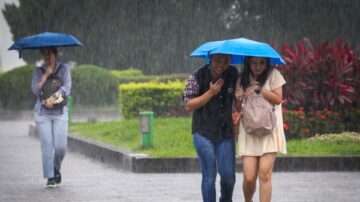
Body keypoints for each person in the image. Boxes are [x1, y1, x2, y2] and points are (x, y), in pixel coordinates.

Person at [183, 54, 239, 202]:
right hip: (203, 133)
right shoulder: (196, 76)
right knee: (209, 176)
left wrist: (240, 98)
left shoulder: (233, 74)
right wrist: (210, 93)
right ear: (210, 60)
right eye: (218, 61)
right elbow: (188, 104)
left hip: (225, 133)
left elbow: (238, 103)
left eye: (226, 61)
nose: (221, 64)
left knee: (229, 177)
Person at [234, 56, 286, 202]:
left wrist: (258, 88)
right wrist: (238, 100)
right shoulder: (242, 79)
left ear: (267, 62)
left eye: (261, 63)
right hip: (249, 131)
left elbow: (278, 99)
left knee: (265, 174)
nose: (257, 66)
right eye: (254, 62)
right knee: (249, 178)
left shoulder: (273, 74)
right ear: (248, 63)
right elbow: (239, 108)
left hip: (269, 129)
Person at [31, 47, 71, 187]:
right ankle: (50, 177)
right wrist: (46, 74)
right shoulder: (38, 71)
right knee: (47, 146)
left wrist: (53, 98)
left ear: (55, 54)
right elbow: (35, 90)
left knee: (61, 147)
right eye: (44, 54)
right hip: (42, 113)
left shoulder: (64, 69)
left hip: (60, 113)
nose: (47, 57)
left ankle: (55, 168)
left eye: (49, 53)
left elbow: (67, 87)